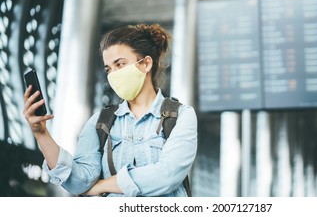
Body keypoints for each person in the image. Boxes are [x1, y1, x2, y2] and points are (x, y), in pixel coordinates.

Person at [23, 24, 198, 197]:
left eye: (120, 64)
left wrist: (101, 186)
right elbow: (79, 182)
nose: (113, 74)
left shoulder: (181, 116)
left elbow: (167, 176)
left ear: (145, 64)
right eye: (108, 69)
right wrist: (41, 133)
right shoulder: (100, 122)